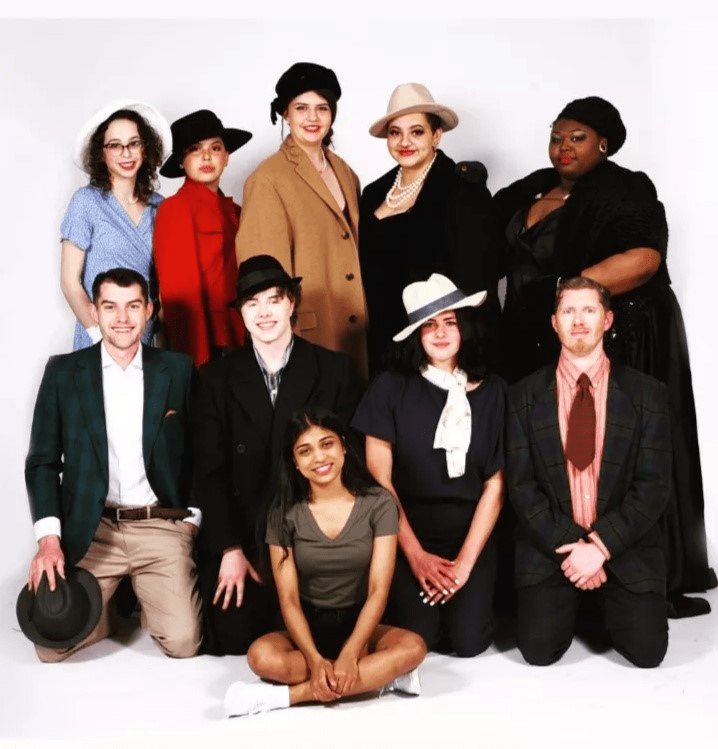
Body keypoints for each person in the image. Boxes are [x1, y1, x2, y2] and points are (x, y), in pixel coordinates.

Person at [492, 95, 715, 615]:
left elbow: (645, 258)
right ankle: (558, 567)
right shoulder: (531, 187)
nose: (564, 147)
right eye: (557, 137)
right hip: (537, 332)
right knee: (545, 448)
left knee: (620, 448)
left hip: (620, 332)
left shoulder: (626, 187)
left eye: (578, 138)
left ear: (604, 144)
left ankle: (640, 574)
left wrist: (569, 295)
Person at [24, 268, 201, 661]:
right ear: (94, 311)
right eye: (110, 307)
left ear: (149, 310)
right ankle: (113, 609)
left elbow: (201, 451)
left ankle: (137, 595)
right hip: (95, 528)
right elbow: (42, 462)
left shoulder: (178, 369)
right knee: (51, 648)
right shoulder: (63, 373)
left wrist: (192, 521)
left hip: (159, 525)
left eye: (133, 306)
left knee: (183, 642)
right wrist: (49, 541)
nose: (122, 318)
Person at [193, 255, 360, 655]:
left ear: (291, 303)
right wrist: (229, 549)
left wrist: (331, 547)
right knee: (234, 638)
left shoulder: (334, 370)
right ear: (241, 313)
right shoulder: (214, 379)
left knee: (331, 637)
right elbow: (209, 472)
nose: (264, 313)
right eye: (252, 303)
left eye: (273, 300)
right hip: (247, 534)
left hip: (315, 534)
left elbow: (352, 465)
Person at [506, 277, 671, 667]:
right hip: (553, 548)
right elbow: (522, 488)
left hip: (623, 544)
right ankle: (583, 602)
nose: (578, 321)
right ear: (554, 323)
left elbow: (652, 487)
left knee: (648, 653)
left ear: (607, 319)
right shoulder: (522, 396)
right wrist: (575, 549)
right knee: (538, 651)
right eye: (568, 311)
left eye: (589, 310)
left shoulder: (648, 394)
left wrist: (599, 547)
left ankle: (598, 603)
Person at [224, 408, 427, 717]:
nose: (319, 457)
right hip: (307, 627)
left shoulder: (380, 503)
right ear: (294, 461)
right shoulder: (282, 513)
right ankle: (380, 678)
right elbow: (289, 600)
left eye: (327, 444)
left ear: (343, 446)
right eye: (305, 451)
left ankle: (286, 697)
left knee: (414, 647)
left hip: (360, 625)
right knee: (260, 657)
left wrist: (351, 653)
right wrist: (315, 659)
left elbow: (378, 591)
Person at [352, 274, 505, 657]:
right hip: (407, 532)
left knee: (469, 643)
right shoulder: (390, 387)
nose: (440, 333)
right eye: (429, 325)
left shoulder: (495, 391)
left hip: (471, 533)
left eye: (450, 322)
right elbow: (379, 480)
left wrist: (464, 564)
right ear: (416, 335)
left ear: (465, 328)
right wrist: (416, 556)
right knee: (419, 638)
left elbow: (496, 484)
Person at [235, 62, 368, 379]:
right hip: (307, 333)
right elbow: (264, 277)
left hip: (356, 328)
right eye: (301, 108)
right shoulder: (267, 179)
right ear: (285, 113)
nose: (313, 118)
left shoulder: (345, 172)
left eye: (322, 108)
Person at [360, 83, 501, 373]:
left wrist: (462, 356)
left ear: (436, 135)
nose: (405, 142)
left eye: (417, 132)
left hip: (441, 347)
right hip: (383, 340)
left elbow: (478, 282)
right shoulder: (373, 193)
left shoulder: (463, 191)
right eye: (395, 133)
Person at [61, 99, 170, 350]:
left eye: (134, 143)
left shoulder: (160, 206)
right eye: (115, 145)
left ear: (146, 148)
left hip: (144, 336)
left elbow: (164, 286)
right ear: (101, 153)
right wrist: (99, 336)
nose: (126, 153)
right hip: (99, 335)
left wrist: (164, 349)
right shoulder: (86, 202)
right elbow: (69, 282)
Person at [154, 110, 252, 368]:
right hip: (207, 343)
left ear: (226, 156)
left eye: (215, 148)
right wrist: (195, 361)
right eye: (195, 150)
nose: (206, 156)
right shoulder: (176, 208)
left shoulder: (237, 212)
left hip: (243, 334)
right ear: (181, 161)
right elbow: (180, 294)